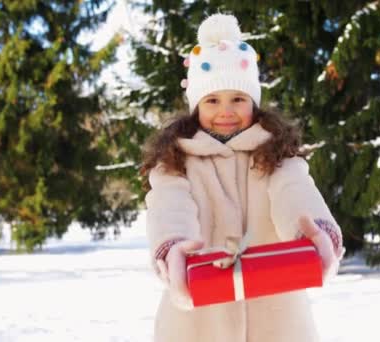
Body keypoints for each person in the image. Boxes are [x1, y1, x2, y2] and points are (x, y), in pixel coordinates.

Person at [141, 13, 344, 342]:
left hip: (277, 316)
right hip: (198, 321)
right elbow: (169, 206)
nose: (226, 111)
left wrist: (315, 230)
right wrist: (173, 247)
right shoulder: (175, 161)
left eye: (238, 98)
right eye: (212, 100)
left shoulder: (276, 155)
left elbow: (295, 192)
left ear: (254, 102)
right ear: (196, 105)